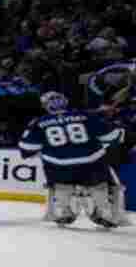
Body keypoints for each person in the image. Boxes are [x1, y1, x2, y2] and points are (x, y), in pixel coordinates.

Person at [19, 91, 126, 227]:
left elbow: (26, 147)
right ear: (65, 101)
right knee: (98, 185)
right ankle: (104, 211)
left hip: (58, 166)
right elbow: (111, 136)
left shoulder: (39, 123)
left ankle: (63, 211)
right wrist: (119, 128)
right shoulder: (85, 116)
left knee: (62, 185)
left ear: (45, 106)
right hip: (91, 162)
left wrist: (43, 150)